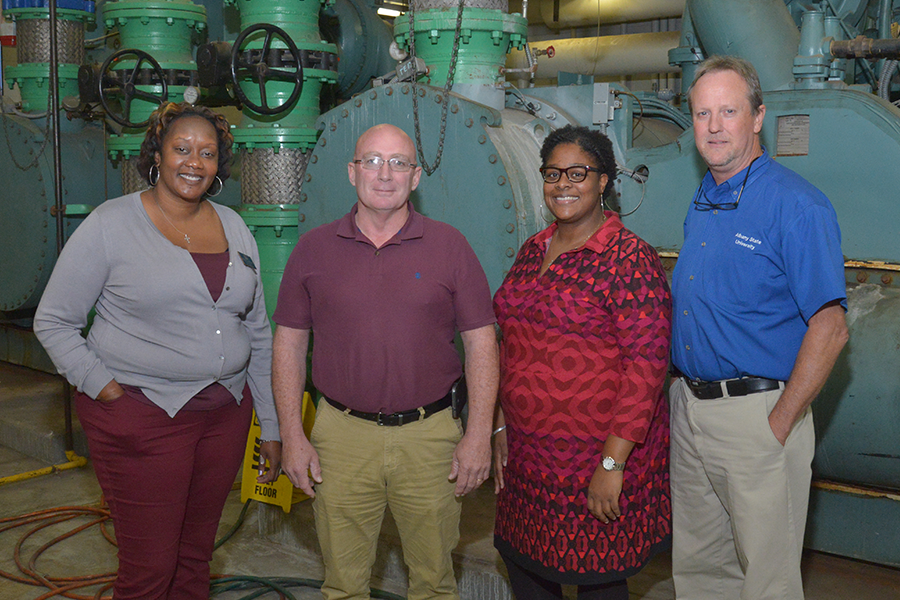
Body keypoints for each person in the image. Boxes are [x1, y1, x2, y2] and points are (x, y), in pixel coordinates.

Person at [33, 102, 282, 600]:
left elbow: (257, 331)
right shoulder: (111, 224)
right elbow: (53, 321)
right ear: (157, 154)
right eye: (182, 149)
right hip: (142, 417)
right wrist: (106, 390)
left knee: (194, 558)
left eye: (207, 153)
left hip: (224, 417)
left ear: (218, 165)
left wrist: (270, 426)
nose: (194, 162)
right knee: (150, 570)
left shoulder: (234, 225)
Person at [272, 123, 500, 600]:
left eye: (399, 163)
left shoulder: (450, 246)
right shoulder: (313, 249)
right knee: (343, 584)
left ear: (415, 177)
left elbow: (482, 345)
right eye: (372, 160)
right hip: (340, 438)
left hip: (430, 438)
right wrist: (292, 435)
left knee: (434, 582)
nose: (384, 174)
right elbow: (289, 344)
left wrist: (478, 435)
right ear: (352, 171)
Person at [669, 55, 849, 600]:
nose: (715, 126)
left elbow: (831, 326)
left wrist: (780, 422)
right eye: (703, 114)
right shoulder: (704, 200)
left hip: (758, 418)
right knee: (700, 574)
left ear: (757, 117)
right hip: (691, 411)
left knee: (767, 583)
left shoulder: (797, 205)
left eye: (729, 110)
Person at [492, 124, 672, 600]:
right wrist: (496, 425)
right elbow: (506, 341)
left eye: (578, 173)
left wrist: (613, 463)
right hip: (528, 464)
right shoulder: (533, 250)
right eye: (553, 173)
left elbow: (647, 368)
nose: (563, 184)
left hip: (591, 462)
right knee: (527, 570)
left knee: (597, 579)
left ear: (604, 182)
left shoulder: (629, 258)